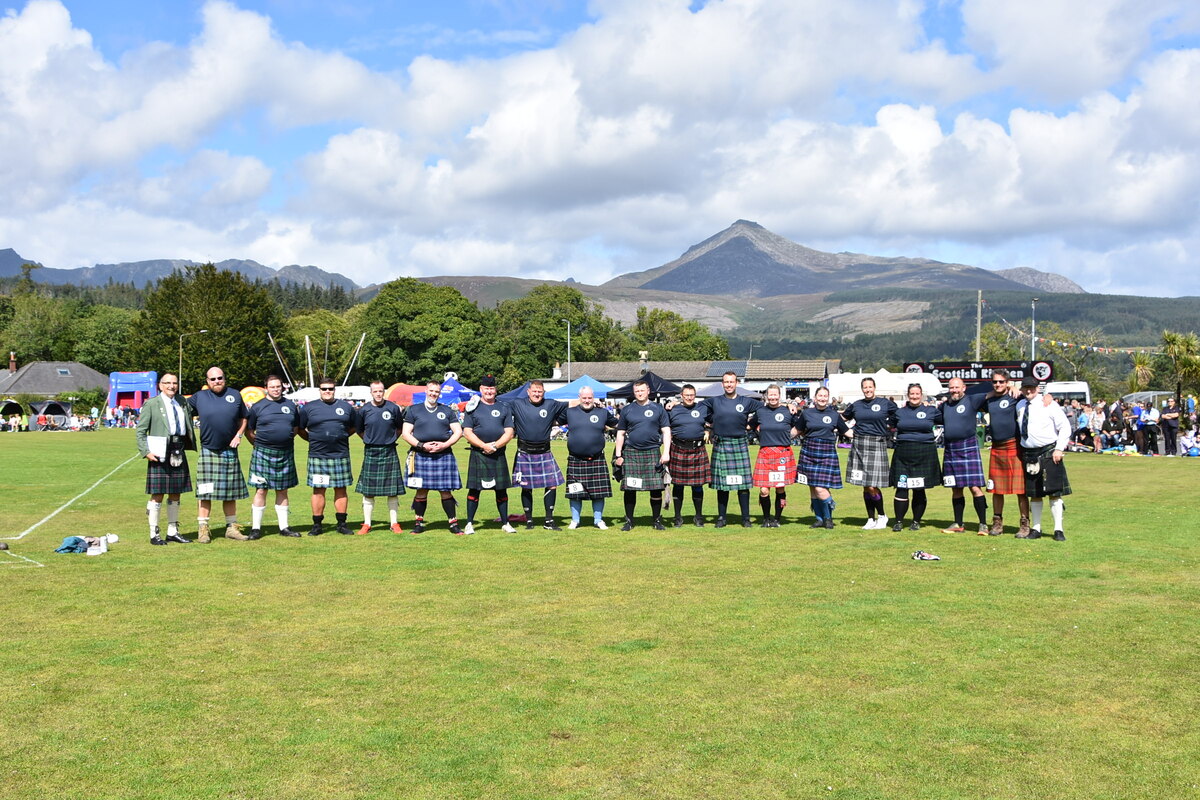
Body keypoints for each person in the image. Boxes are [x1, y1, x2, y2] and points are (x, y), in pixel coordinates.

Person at [188, 367, 250, 542]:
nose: (217, 381)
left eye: (220, 378)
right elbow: (181, 410)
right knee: (205, 492)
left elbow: (243, 418)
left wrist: (239, 435)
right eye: (213, 379)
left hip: (229, 450)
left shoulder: (235, 395)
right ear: (207, 381)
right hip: (209, 449)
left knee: (230, 492)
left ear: (225, 378)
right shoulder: (199, 397)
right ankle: (203, 529)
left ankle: (231, 528)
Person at [134, 372, 195, 545]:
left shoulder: (182, 402)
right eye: (167, 383)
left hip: (178, 448)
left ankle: (172, 531)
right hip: (159, 451)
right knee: (158, 493)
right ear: (160, 385)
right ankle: (154, 534)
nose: (171, 386)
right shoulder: (152, 404)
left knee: (176, 493)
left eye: (174, 383)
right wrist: (145, 451)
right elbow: (140, 430)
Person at [400, 380, 464, 534]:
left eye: (436, 392)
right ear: (426, 391)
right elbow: (405, 433)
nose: (433, 394)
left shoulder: (447, 410)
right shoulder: (414, 410)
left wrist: (445, 445)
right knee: (421, 490)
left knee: (445, 490)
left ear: (439, 393)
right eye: (431, 391)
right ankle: (419, 523)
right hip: (421, 454)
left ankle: (453, 524)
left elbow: (458, 432)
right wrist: (421, 445)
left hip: (443, 455)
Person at [295, 379, 357, 536]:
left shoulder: (346, 407)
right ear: (319, 390)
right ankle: (317, 525)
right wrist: (315, 439)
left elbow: (354, 427)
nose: (327, 391)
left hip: (340, 454)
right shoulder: (308, 408)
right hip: (318, 455)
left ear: (334, 390)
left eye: (330, 389)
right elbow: (301, 429)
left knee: (341, 489)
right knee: (318, 490)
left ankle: (342, 524)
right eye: (324, 389)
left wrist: (340, 437)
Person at [245, 375, 302, 538]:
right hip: (263, 452)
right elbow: (249, 431)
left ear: (282, 388)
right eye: (272, 387)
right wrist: (258, 445)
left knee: (282, 490)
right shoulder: (257, 406)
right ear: (266, 388)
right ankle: (256, 529)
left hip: (285, 452)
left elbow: (296, 427)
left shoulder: (290, 405)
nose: (276, 389)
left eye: (278, 387)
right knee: (261, 490)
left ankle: (284, 528)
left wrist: (286, 438)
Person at [1016, 376, 1071, 541]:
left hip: (1049, 451)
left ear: (1038, 388)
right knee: (1035, 493)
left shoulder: (1049, 404)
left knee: (1054, 492)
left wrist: (1059, 448)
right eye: (1025, 388)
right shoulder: (1019, 405)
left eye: (1031, 388)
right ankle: (1036, 528)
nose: (1028, 390)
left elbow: (1064, 427)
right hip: (1029, 453)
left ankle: (1058, 530)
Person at [509, 379, 569, 530]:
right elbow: (496, 403)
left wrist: (590, 401)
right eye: (534, 391)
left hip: (544, 451)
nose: (537, 394)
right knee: (526, 487)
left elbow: (571, 405)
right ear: (528, 392)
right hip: (524, 452)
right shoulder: (517, 403)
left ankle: (549, 521)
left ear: (544, 392)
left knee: (552, 484)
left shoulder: (551, 404)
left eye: (540, 392)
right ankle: (529, 521)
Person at [461, 376, 516, 534]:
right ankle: (469, 524)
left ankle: (505, 523)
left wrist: (495, 445)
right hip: (479, 453)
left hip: (498, 454)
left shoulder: (504, 407)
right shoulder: (472, 408)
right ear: (481, 389)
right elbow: (467, 431)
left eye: (492, 388)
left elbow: (509, 431)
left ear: (495, 390)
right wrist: (483, 445)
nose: (489, 391)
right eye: (486, 388)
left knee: (501, 489)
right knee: (474, 489)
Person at [936, 378, 992, 534]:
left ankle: (983, 524)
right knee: (956, 488)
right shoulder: (945, 406)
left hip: (968, 447)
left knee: (975, 487)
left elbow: (992, 393)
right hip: (951, 449)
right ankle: (958, 524)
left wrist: (1010, 388)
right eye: (951, 387)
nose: (954, 390)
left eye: (957, 387)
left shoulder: (972, 400)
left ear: (964, 388)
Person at [614, 380, 671, 530]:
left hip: (652, 451)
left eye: (642, 390)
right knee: (630, 488)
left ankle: (657, 520)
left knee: (656, 488)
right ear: (634, 393)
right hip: (631, 453)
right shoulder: (627, 410)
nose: (639, 393)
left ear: (648, 391)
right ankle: (629, 521)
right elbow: (620, 433)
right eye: (637, 391)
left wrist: (666, 453)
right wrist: (618, 455)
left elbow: (666, 431)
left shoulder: (658, 408)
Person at [841, 377, 897, 529]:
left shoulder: (884, 403)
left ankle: (882, 516)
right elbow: (841, 418)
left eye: (870, 387)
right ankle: (870, 519)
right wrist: (846, 431)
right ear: (862, 389)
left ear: (874, 388)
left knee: (872, 485)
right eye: (865, 387)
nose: (867, 390)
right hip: (859, 443)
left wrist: (889, 426)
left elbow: (898, 415)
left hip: (877, 443)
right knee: (864, 485)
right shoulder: (856, 405)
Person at [708, 371, 761, 527]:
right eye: (726, 382)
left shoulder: (746, 401)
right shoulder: (714, 401)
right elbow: (695, 410)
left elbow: (765, 409)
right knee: (722, 485)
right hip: (721, 444)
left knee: (743, 485)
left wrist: (751, 425)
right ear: (722, 384)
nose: (729, 384)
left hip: (739, 443)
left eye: (731, 382)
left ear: (737, 383)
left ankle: (745, 518)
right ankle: (721, 518)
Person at [354, 380, 406, 535]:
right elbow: (359, 429)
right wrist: (370, 440)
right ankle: (367, 524)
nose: (378, 393)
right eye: (375, 391)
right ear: (371, 392)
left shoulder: (393, 408)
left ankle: (394, 523)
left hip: (389, 451)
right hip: (371, 451)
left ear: (384, 392)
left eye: (381, 391)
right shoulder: (364, 410)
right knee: (368, 491)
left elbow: (399, 428)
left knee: (392, 491)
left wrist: (389, 440)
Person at [888, 383, 942, 532]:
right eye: (912, 394)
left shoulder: (931, 411)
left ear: (922, 395)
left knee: (919, 488)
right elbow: (889, 425)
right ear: (907, 395)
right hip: (903, 453)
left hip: (924, 453)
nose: (914, 396)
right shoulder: (899, 412)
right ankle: (899, 521)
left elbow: (947, 418)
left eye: (917, 394)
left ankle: (916, 521)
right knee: (901, 487)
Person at [984, 369, 1031, 537]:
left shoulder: (1015, 396)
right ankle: (997, 524)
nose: (998, 384)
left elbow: (1033, 396)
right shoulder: (988, 400)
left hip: (1014, 446)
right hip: (997, 448)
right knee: (996, 489)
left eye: (1001, 382)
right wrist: (989, 393)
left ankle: (1025, 524)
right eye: (995, 382)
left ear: (1007, 382)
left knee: (1021, 490)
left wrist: (1047, 397)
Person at [563, 386, 618, 529]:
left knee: (599, 493)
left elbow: (620, 424)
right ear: (579, 397)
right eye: (584, 398)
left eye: (589, 398)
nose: (587, 400)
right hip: (576, 459)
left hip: (596, 459)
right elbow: (552, 421)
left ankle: (598, 520)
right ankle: (575, 520)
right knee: (575, 492)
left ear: (593, 398)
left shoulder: (603, 413)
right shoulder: (569, 412)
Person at [795, 386, 849, 528]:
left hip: (827, 452)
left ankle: (828, 518)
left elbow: (846, 431)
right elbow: (796, 430)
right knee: (813, 487)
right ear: (815, 398)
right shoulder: (807, 413)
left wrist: (865, 436)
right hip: (809, 450)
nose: (822, 398)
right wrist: (778, 438)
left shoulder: (834, 414)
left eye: (825, 396)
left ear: (829, 398)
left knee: (820, 488)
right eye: (820, 395)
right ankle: (819, 519)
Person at [750, 385, 798, 527]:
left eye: (775, 395)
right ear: (766, 396)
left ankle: (777, 519)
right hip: (765, 453)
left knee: (780, 488)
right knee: (764, 490)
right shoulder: (760, 412)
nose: (772, 397)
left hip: (783, 453)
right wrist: (758, 435)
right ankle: (766, 519)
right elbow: (751, 425)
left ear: (779, 395)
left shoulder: (788, 411)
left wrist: (791, 405)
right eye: (770, 395)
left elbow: (800, 426)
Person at [666, 383, 712, 526]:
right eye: (686, 395)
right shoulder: (673, 410)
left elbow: (718, 420)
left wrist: (710, 431)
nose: (689, 398)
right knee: (678, 485)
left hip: (698, 451)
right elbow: (664, 429)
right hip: (678, 450)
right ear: (681, 396)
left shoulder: (702, 408)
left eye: (692, 395)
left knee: (697, 485)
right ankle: (678, 517)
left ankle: (698, 517)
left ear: (695, 395)